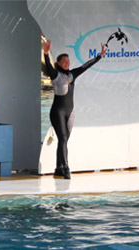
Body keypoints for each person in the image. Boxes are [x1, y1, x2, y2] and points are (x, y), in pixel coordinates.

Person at [42, 40, 106, 179]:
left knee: (64, 140)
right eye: (64, 61)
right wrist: (46, 53)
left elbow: (85, 66)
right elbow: (48, 66)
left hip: (69, 112)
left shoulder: (72, 75)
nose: (67, 63)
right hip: (57, 112)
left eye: (68, 61)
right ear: (58, 63)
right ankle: (66, 168)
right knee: (63, 138)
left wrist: (100, 56)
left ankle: (58, 168)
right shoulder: (55, 74)